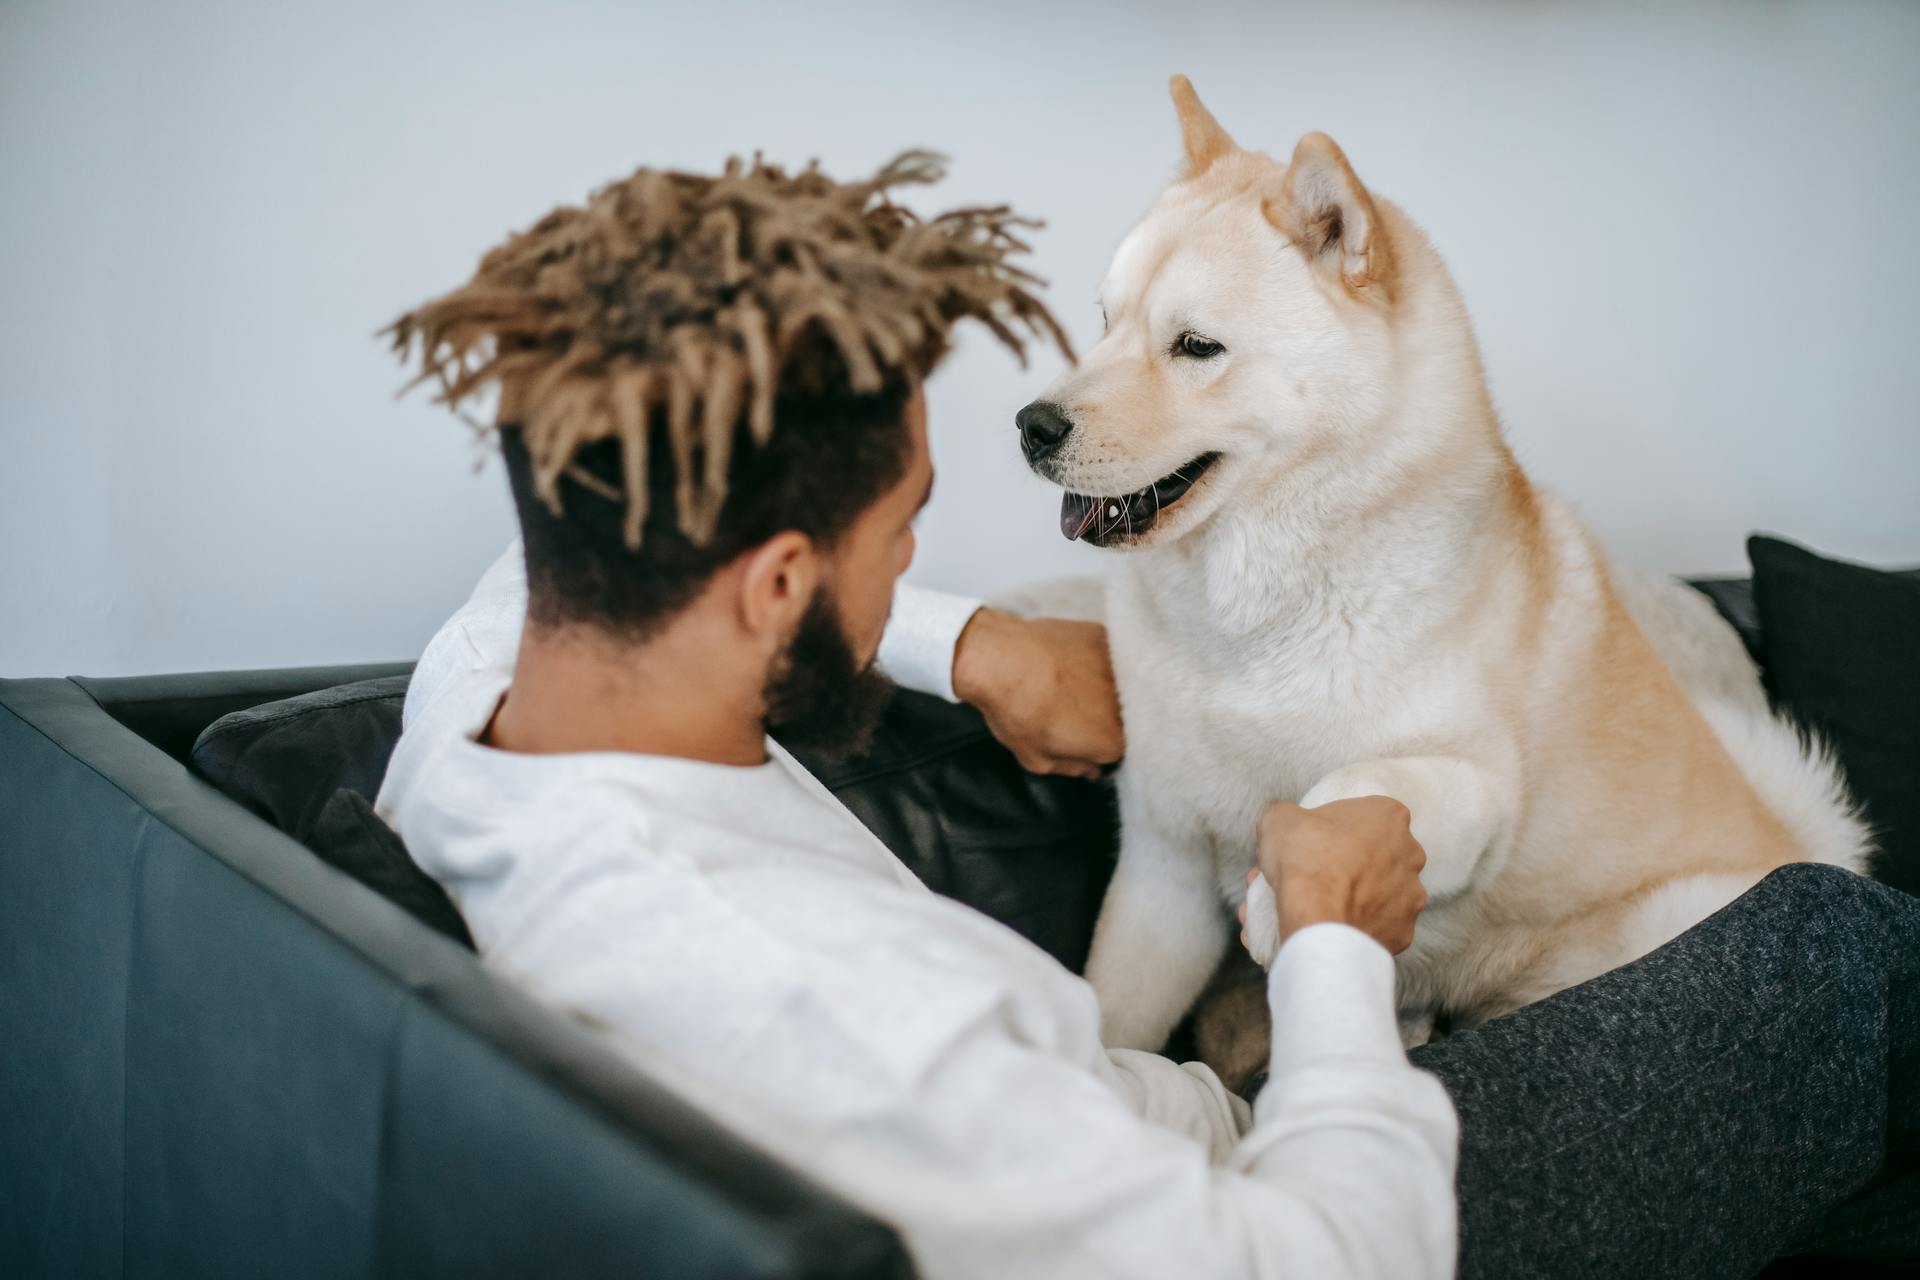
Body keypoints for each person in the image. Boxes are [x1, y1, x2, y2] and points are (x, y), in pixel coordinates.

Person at [377, 150, 1919, 1279]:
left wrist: (965, 640)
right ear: (776, 581)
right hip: (1321, 1199)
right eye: (902, 530)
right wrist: (1328, 949)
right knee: (1841, 954)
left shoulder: (484, 720)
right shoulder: (845, 1030)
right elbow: (1319, 1259)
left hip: (1208, 1113)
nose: (925, 553)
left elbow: (517, 577)